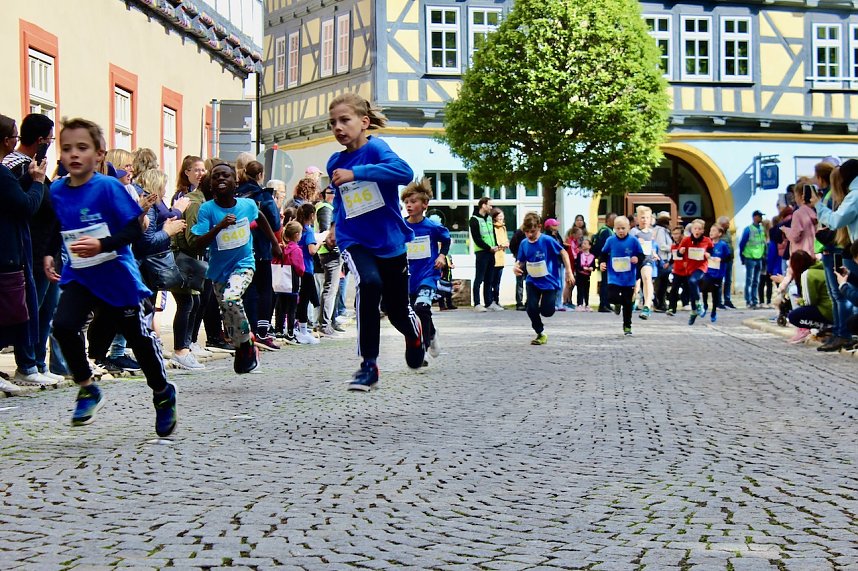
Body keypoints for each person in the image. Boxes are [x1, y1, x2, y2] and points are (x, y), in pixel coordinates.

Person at [48, 118, 176, 435]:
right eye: (67, 148)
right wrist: (48, 253)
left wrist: (102, 244)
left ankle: (163, 394)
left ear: (98, 155)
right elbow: (55, 226)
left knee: (139, 341)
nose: (74, 154)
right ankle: (87, 387)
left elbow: (134, 229)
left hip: (117, 277)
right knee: (63, 326)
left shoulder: (108, 187)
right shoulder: (57, 190)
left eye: (82, 147)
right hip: (80, 275)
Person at [326, 92, 424, 391]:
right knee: (368, 284)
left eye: (345, 120)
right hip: (354, 239)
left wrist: (357, 172)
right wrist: (334, 226)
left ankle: (415, 334)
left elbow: (404, 173)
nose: (338, 127)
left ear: (364, 122)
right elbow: (342, 199)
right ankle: (368, 365)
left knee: (396, 310)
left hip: (390, 241)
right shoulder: (334, 162)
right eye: (333, 122)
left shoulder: (377, 148)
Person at [191, 162, 281, 374]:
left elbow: (261, 217)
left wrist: (275, 243)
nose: (221, 179)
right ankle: (242, 346)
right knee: (228, 315)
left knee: (231, 298)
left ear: (236, 182)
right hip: (219, 271)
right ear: (211, 185)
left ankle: (247, 345)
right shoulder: (207, 210)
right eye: (216, 177)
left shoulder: (247, 205)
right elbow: (197, 243)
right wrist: (219, 227)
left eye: (226, 176)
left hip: (244, 264)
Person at [2, 113, 64, 388]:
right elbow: (25, 206)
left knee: (45, 311)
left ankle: (38, 362)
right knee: (28, 311)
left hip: (46, 250)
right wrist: (38, 182)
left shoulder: (32, 167)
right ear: (40, 140)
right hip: (30, 251)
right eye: (50, 139)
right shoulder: (16, 168)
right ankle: (27, 364)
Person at [809, 159, 858, 351]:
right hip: (849, 249)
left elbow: (836, 220)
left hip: (847, 249)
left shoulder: (854, 195)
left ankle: (844, 334)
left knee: (843, 293)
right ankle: (843, 333)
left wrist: (818, 205)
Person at [402, 178, 450, 361]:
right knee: (412, 315)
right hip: (408, 278)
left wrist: (442, 255)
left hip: (428, 275)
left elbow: (446, 240)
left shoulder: (432, 227)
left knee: (421, 308)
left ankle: (424, 347)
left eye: (413, 201)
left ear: (425, 204)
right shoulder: (402, 226)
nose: (409, 205)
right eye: (406, 202)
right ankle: (431, 334)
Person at [236, 160, 282, 350]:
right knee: (264, 290)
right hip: (261, 249)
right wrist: (276, 243)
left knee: (246, 291)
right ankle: (262, 332)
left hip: (238, 249)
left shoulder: (235, 194)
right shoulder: (264, 196)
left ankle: (247, 331)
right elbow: (275, 223)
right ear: (260, 175)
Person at [513, 213, 573, 345]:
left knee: (547, 312)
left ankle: (544, 307)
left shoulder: (547, 240)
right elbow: (520, 261)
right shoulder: (524, 243)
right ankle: (540, 333)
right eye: (526, 232)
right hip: (532, 281)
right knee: (531, 308)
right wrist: (516, 267)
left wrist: (569, 271)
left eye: (532, 231)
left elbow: (563, 252)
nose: (529, 235)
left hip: (549, 282)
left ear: (539, 227)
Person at [599, 216, 643, 335]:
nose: (621, 231)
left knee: (628, 303)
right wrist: (602, 263)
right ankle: (617, 304)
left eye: (623, 228)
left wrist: (637, 258)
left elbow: (641, 255)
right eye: (618, 228)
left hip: (628, 278)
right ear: (614, 228)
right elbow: (603, 254)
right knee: (611, 297)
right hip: (614, 276)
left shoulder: (633, 241)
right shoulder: (610, 240)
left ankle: (627, 326)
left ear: (628, 228)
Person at [784, 250, 833, 344]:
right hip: (834, 308)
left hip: (826, 310)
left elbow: (810, 301)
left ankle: (825, 327)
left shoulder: (807, 274)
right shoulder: (822, 268)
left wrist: (800, 301)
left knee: (793, 317)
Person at [314, 184, 343, 336]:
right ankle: (324, 325)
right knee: (330, 289)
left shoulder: (330, 207)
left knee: (332, 289)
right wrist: (334, 245)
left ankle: (328, 322)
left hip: (330, 252)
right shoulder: (325, 208)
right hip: (329, 252)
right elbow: (326, 231)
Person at [271, 220, 304, 343]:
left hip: (280, 282)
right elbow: (300, 268)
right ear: (296, 235)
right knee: (291, 308)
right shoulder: (296, 250)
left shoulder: (281, 248)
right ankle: (290, 332)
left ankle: (278, 330)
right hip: (292, 281)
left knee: (280, 307)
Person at [678, 219, 714, 326]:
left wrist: (708, 254)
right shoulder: (686, 240)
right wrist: (681, 252)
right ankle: (693, 311)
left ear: (703, 230)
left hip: (701, 267)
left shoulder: (707, 240)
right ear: (692, 230)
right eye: (695, 228)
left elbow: (711, 251)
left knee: (693, 281)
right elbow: (679, 253)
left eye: (699, 229)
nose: (697, 231)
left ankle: (699, 304)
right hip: (690, 268)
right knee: (692, 289)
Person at [294, 203, 320, 345]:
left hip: (294, 267)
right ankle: (303, 330)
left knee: (295, 299)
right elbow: (312, 250)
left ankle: (292, 327)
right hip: (306, 268)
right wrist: (319, 243)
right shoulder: (308, 231)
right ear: (311, 215)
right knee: (304, 300)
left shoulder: (295, 227)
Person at [470, 196, 499, 311]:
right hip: (482, 252)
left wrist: (496, 245)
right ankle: (477, 303)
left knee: (489, 278)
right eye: (490, 205)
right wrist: (488, 248)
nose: (491, 207)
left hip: (492, 252)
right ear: (483, 205)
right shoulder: (474, 220)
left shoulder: (489, 218)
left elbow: (493, 234)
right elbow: (477, 238)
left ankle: (489, 302)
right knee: (479, 278)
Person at [629, 206, 658, 319]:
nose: (644, 220)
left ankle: (647, 306)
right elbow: (628, 246)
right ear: (637, 219)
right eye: (642, 217)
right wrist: (636, 243)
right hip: (635, 261)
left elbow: (653, 246)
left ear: (650, 219)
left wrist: (654, 253)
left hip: (647, 259)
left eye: (647, 217)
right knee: (635, 287)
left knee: (647, 278)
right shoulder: (633, 232)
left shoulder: (652, 232)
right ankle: (631, 301)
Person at [701, 223, 730, 323]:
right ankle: (705, 305)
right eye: (710, 231)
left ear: (720, 233)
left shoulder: (723, 245)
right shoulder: (707, 243)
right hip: (707, 271)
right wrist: (705, 254)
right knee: (704, 288)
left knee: (715, 293)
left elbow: (729, 257)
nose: (711, 233)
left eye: (714, 231)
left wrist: (721, 259)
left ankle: (713, 311)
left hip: (718, 273)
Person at [739, 210, 766, 308]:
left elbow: (763, 243)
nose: (761, 218)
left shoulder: (762, 229)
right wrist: (742, 257)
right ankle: (748, 300)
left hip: (759, 257)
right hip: (750, 257)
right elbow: (742, 244)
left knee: (756, 280)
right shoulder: (748, 229)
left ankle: (754, 300)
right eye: (760, 216)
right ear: (755, 217)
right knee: (749, 280)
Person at [593, 213, 616, 312]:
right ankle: (603, 304)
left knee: (608, 282)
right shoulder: (605, 231)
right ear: (608, 221)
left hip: (609, 260)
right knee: (605, 283)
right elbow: (603, 248)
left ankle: (607, 303)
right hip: (606, 260)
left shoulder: (610, 231)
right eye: (614, 219)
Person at [666, 225, 690, 316]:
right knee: (674, 289)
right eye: (674, 234)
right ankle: (672, 308)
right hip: (677, 271)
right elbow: (673, 257)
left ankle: (686, 303)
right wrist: (668, 263)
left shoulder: (686, 245)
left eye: (677, 234)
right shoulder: (673, 246)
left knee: (687, 288)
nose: (675, 236)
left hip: (687, 271)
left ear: (682, 235)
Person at [490, 208, 509, 309]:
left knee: (497, 282)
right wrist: (501, 245)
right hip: (493, 258)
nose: (501, 217)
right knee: (491, 281)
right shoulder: (492, 227)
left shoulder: (503, 228)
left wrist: (506, 244)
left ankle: (496, 300)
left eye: (502, 215)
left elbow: (505, 240)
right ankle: (490, 301)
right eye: (499, 216)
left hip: (501, 257)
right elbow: (495, 242)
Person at [575, 238, 596, 311]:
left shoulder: (592, 256)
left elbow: (593, 266)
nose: (583, 245)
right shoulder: (579, 255)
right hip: (580, 275)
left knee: (586, 290)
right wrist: (583, 268)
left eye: (585, 243)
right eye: (583, 243)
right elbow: (577, 265)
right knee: (580, 289)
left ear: (589, 246)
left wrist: (591, 268)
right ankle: (579, 304)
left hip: (587, 276)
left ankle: (587, 304)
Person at [509, 225, 526, 310]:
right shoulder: (519, 233)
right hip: (520, 259)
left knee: (529, 281)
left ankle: (529, 301)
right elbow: (512, 245)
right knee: (520, 281)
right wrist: (516, 254)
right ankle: (519, 303)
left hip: (530, 259)